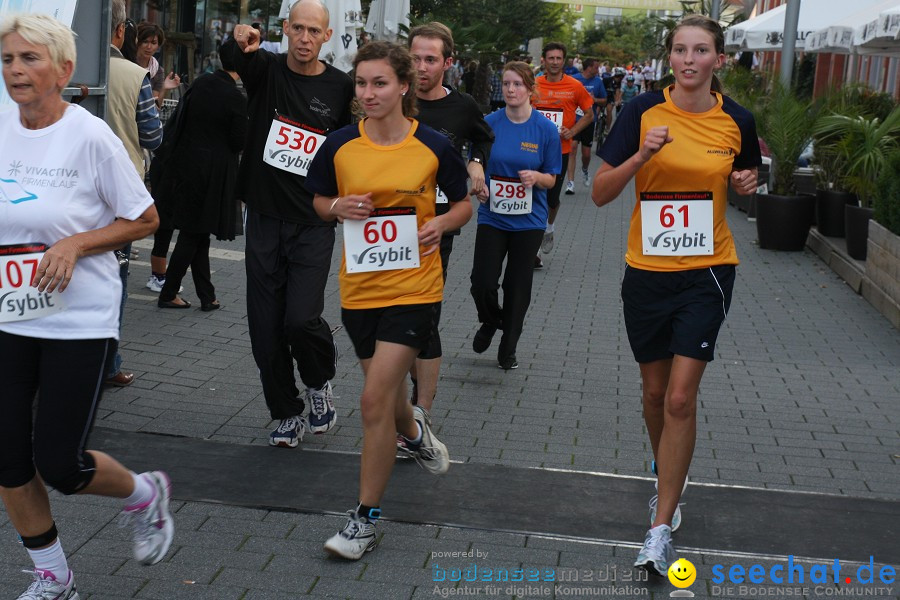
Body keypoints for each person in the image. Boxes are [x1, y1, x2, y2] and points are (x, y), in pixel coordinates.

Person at [0, 13, 174, 599]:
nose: (16, 71)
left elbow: (145, 218)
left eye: (30, 58)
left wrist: (75, 242)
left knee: (61, 465)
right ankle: (55, 578)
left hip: (78, 321)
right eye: (7, 60)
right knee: (6, 458)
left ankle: (145, 493)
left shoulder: (90, 135)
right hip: (11, 315)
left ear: (64, 69)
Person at [592, 15, 760, 576]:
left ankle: (660, 525)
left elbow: (746, 176)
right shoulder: (641, 111)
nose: (690, 60)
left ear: (718, 59)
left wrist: (746, 185)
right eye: (681, 50)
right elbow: (598, 193)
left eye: (702, 50)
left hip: (708, 271)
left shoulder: (736, 118)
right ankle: (668, 476)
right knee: (653, 392)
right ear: (670, 58)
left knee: (681, 398)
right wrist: (641, 156)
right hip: (647, 271)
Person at [306, 40, 471, 560]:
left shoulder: (434, 147)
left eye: (380, 83)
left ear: (404, 86)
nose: (369, 92)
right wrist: (337, 206)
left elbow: (464, 203)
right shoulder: (338, 145)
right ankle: (416, 428)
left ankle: (364, 520)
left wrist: (442, 222)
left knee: (374, 400)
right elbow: (316, 202)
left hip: (415, 288)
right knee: (390, 401)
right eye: (361, 83)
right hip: (359, 291)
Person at [231, 0, 353, 448]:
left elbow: (348, 150)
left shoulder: (341, 88)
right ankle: (286, 413)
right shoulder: (265, 70)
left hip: (313, 220)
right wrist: (241, 37)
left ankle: (319, 380)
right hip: (263, 217)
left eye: (312, 31)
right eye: (296, 28)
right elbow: (234, 58)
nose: (303, 38)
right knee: (265, 328)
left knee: (301, 320)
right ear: (285, 29)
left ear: (326, 36)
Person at [403, 21, 493, 426]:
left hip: (436, 227)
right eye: (415, 58)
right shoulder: (392, 97)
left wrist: (476, 161)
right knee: (395, 317)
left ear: (448, 62)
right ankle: (410, 393)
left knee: (424, 314)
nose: (421, 67)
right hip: (387, 224)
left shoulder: (463, 107)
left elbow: (485, 136)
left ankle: (421, 410)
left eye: (430, 59)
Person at [470, 61, 561, 370]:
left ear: (530, 89)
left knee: (516, 285)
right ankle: (490, 320)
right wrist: (480, 184)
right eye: (506, 84)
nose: (510, 89)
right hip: (493, 215)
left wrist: (537, 178)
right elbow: (477, 160)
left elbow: (552, 179)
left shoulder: (546, 130)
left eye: (517, 84)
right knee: (481, 282)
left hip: (529, 220)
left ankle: (508, 347)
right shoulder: (489, 123)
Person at [151, 38, 248, 311]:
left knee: (198, 232)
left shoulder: (201, 83)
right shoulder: (235, 97)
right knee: (193, 234)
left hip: (184, 167)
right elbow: (238, 142)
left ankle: (208, 296)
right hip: (213, 175)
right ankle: (168, 292)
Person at [106, 0, 163, 388]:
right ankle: (108, 363)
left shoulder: (59, 68)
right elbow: (153, 136)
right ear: (121, 30)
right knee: (114, 277)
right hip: (121, 192)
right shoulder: (133, 75)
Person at [533, 42, 593, 268]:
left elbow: (588, 113)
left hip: (559, 151)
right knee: (531, 197)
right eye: (551, 58)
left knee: (551, 200)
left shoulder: (575, 86)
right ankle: (534, 249)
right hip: (532, 150)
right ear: (544, 60)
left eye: (559, 58)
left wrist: (573, 131)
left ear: (564, 61)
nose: (555, 62)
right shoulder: (534, 84)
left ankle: (549, 227)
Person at [567, 57, 607, 189]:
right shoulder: (574, 79)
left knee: (586, 154)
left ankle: (585, 170)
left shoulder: (598, 81)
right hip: (574, 120)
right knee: (572, 149)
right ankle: (570, 182)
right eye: (596, 67)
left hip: (589, 121)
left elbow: (605, 101)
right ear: (589, 67)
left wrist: (594, 99)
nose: (598, 69)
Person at [135, 23, 180, 109]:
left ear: (158, 46)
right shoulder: (129, 63)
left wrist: (164, 88)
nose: (149, 47)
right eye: (145, 42)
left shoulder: (157, 71)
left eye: (153, 43)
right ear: (138, 42)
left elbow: (154, 107)